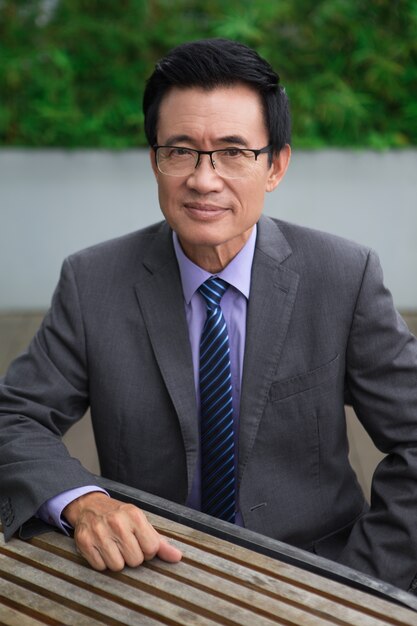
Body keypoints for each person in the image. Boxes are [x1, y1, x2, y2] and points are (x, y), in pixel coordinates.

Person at [1, 38, 417, 592]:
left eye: (233, 152)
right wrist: (83, 501)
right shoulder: (94, 281)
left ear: (275, 166)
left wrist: (359, 579)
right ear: (154, 162)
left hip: (318, 572)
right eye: (181, 151)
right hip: (148, 572)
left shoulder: (343, 276)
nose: (203, 179)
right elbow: (14, 416)